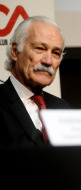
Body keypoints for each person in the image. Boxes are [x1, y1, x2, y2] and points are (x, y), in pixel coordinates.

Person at [0, 16, 70, 146]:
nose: (48, 61)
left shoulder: (62, 108)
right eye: (39, 48)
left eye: (56, 53)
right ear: (15, 52)